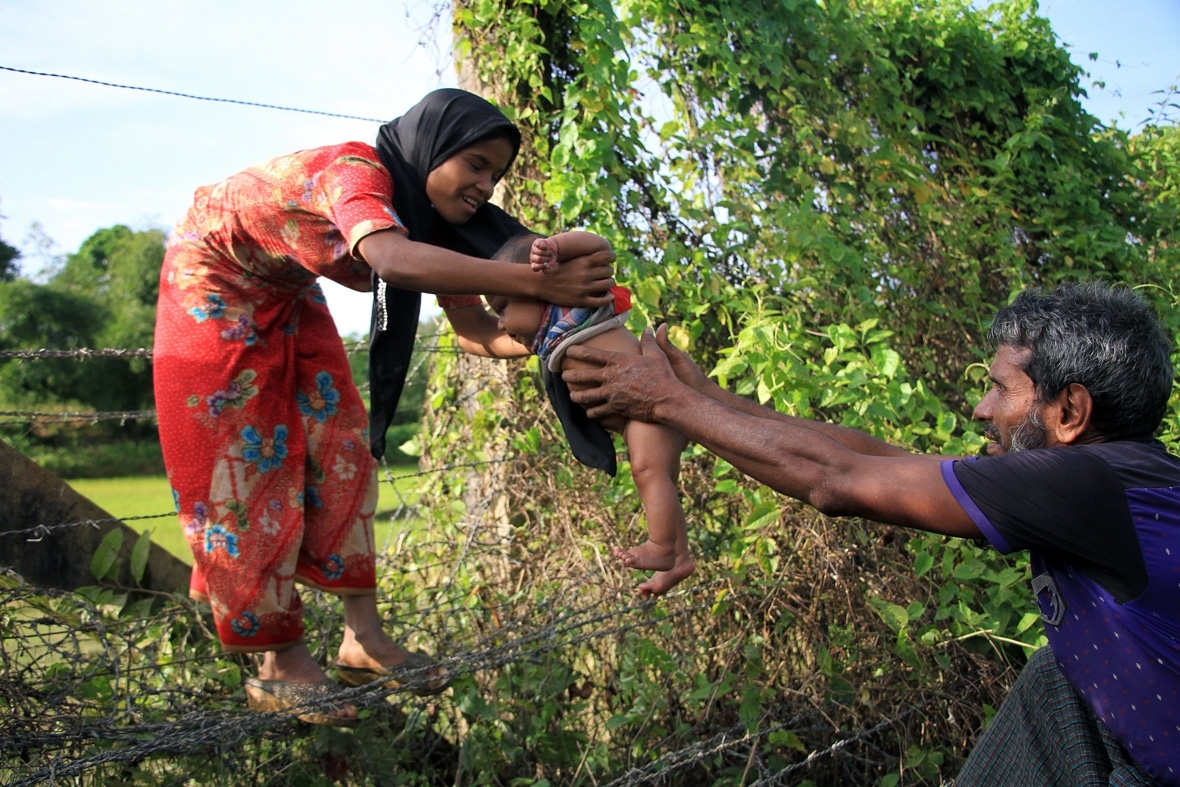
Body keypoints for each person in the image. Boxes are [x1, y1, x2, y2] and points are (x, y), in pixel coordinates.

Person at [560, 282, 1179, 786]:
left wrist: (666, 403)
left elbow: (836, 479)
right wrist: (703, 397)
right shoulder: (1120, 475)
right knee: (1053, 681)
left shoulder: (1081, 485)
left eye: (1000, 388)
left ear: (1069, 412)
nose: (981, 410)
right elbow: (881, 461)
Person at [152, 89, 616, 726]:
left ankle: (361, 638)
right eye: (476, 164)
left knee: (343, 445)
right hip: (212, 278)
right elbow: (392, 262)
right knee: (241, 462)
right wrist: (536, 283)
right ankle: (277, 664)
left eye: (496, 175)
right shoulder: (357, 172)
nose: (486, 185)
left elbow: (474, 331)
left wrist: (549, 332)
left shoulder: (429, 224)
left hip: (286, 288)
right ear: (434, 145)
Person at [485, 232, 693, 596]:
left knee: (648, 472)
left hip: (649, 407)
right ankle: (679, 559)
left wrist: (557, 249)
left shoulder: (577, 304)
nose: (501, 324)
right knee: (660, 483)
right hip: (634, 420)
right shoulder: (547, 333)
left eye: (502, 309)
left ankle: (661, 549)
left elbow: (600, 247)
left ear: (538, 287)